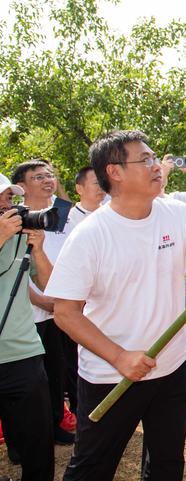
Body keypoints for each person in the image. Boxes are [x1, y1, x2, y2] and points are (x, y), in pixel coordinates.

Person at [46, 130, 186, 481]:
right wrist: (120, 356)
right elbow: (64, 311)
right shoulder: (91, 234)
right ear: (115, 172)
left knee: (167, 464)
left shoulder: (175, 213)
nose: (158, 166)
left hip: (171, 364)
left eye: (155, 158)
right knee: (92, 467)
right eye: (146, 159)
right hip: (112, 374)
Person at [13, 160, 75, 447]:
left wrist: (59, 302)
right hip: (29, 314)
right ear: (21, 186)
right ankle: (19, 441)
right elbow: (15, 272)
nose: (47, 180)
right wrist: (43, 300)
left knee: (56, 373)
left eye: (50, 175)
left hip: (57, 311)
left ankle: (54, 424)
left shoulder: (58, 215)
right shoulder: (15, 219)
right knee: (27, 383)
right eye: (38, 177)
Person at [0, 173, 55, 481]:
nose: (9, 206)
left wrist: (39, 250)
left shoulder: (21, 239)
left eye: (10, 198)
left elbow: (49, 285)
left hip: (24, 352)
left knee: (37, 441)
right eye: (3, 199)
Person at [61, 167, 106, 415]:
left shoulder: (112, 215)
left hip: (106, 307)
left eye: (102, 182)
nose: (100, 186)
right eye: (94, 182)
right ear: (79, 188)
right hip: (79, 306)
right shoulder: (67, 221)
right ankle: (80, 411)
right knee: (77, 364)